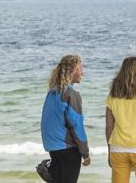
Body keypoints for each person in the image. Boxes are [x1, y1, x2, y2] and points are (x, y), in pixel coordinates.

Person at [39, 54, 90, 183]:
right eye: (80, 68)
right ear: (71, 71)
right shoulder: (72, 95)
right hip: (68, 150)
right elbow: (77, 126)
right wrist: (85, 153)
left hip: (53, 148)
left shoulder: (52, 92)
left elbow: (46, 121)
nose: (82, 72)